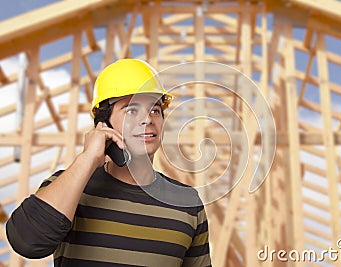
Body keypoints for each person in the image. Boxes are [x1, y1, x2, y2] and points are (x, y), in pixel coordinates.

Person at [6, 59, 212, 267]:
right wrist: (88, 158)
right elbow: (26, 242)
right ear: (103, 124)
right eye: (131, 110)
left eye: (155, 110)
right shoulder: (70, 187)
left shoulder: (188, 203)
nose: (148, 119)